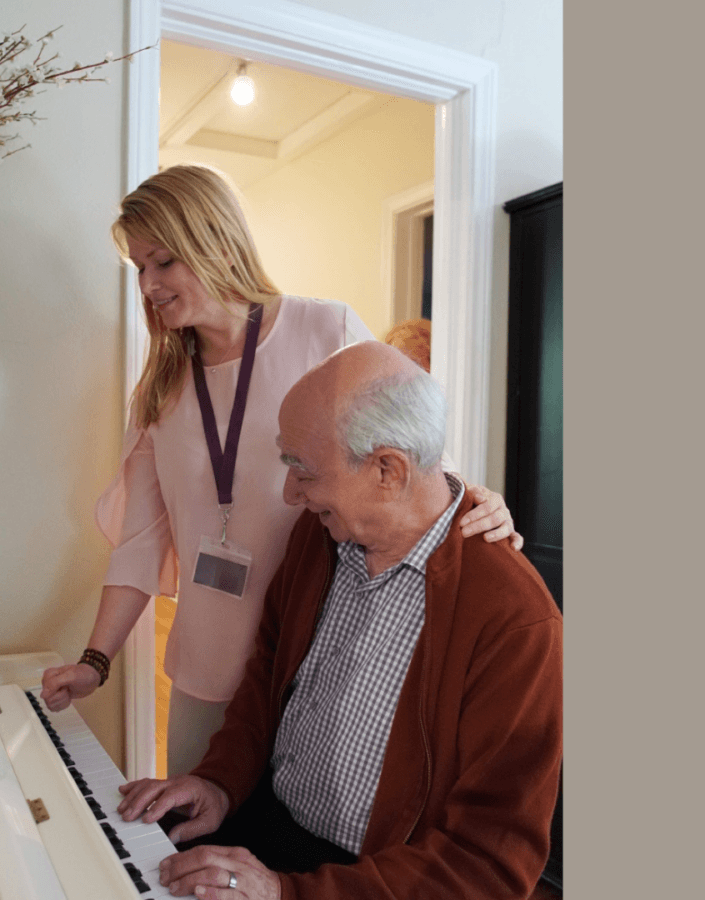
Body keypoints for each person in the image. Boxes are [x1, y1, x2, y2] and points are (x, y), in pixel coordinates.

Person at [41, 164, 522, 776]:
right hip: (206, 667)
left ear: (217, 242)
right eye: (139, 267)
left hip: (319, 658)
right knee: (195, 823)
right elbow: (139, 541)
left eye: (162, 261)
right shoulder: (160, 388)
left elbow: (413, 458)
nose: (148, 285)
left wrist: (474, 499)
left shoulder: (325, 328)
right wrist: (95, 661)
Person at [116, 340, 563, 900]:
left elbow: (487, 866)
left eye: (302, 470)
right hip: (267, 827)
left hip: (376, 880)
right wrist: (220, 783)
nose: (290, 494)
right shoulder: (320, 537)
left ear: (387, 470)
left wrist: (285, 893)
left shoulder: (515, 620)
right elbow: (267, 678)